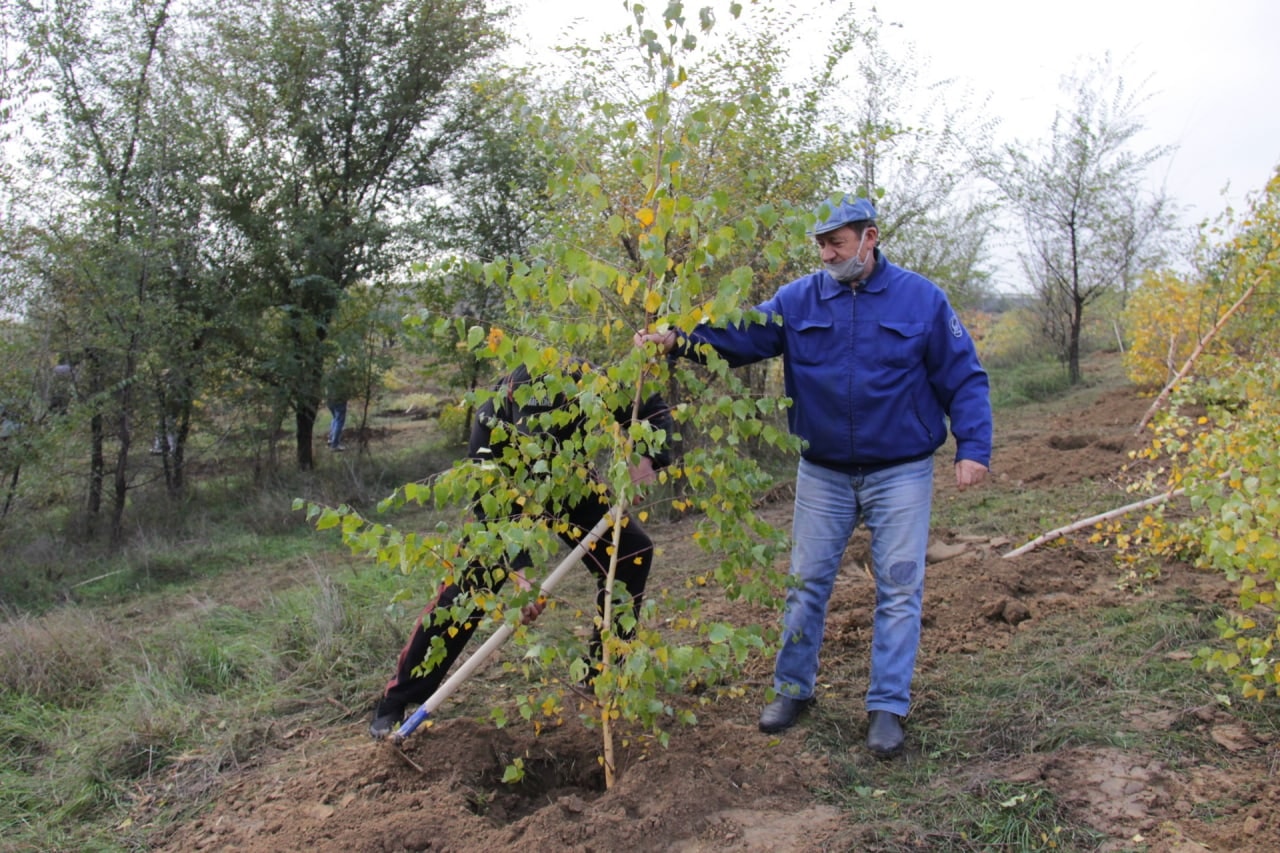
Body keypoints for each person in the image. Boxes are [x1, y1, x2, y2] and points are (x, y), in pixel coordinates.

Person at [635, 195, 991, 759]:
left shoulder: (921, 299)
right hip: (823, 472)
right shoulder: (798, 299)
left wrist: (973, 446)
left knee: (899, 587)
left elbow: (964, 376)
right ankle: (792, 690)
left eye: (836, 243)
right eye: (821, 245)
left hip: (900, 471)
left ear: (870, 238)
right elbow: (741, 334)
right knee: (806, 586)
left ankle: (887, 708)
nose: (827, 254)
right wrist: (680, 340)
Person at [368, 361, 674, 739]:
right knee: (470, 588)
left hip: (566, 474)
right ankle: (396, 701)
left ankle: (604, 674)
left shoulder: (591, 379)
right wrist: (521, 575)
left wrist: (647, 457)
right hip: (500, 477)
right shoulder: (514, 405)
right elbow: (517, 491)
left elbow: (653, 407)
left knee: (631, 552)